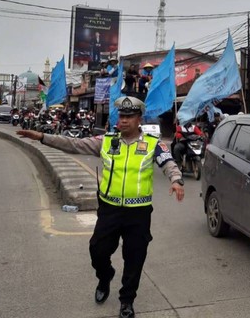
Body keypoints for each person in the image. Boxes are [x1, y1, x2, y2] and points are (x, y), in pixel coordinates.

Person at [17, 96, 184, 318]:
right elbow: (74, 144)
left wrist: (176, 180)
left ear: (138, 119)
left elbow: (168, 162)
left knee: (134, 258)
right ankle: (105, 277)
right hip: (110, 210)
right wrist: (42, 137)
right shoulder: (106, 141)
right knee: (97, 251)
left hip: (139, 213)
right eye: (121, 116)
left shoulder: (153, 144)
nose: (123, 121)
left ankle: (126, 301)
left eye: (128, 117)